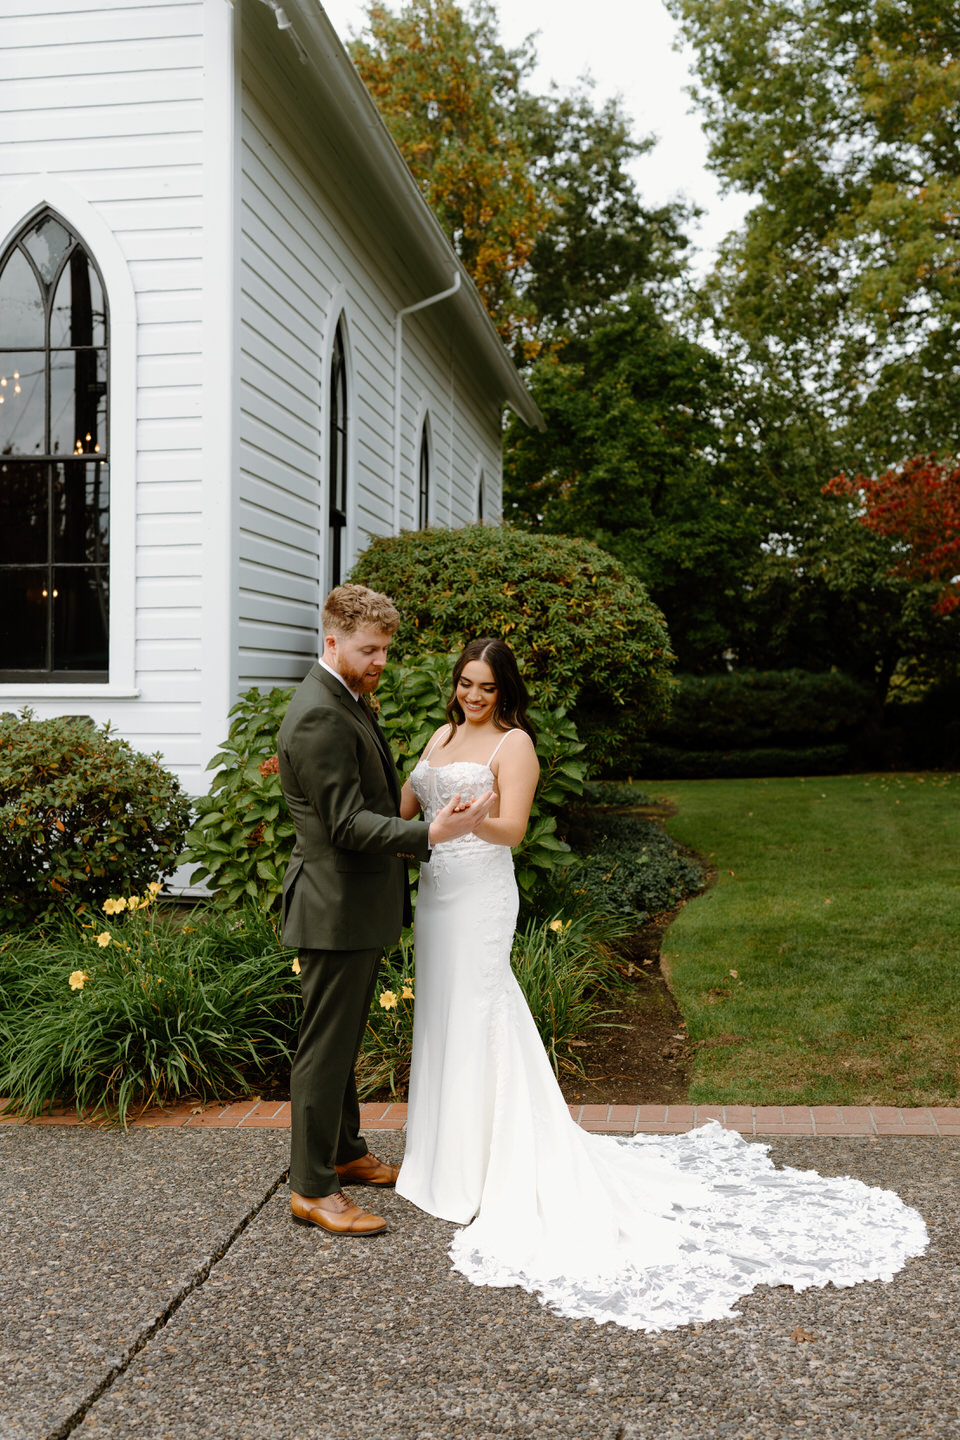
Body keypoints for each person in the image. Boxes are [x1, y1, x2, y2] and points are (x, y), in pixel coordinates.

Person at [395, 636, 928, 1331]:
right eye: (465, 684)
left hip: (481, 893)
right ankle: (437, 1157)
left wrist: (471, 821)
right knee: (440, 1016)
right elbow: (404, 802)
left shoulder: (513, 746)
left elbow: (515, 829)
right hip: (437, 894)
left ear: (505, 693)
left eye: (485, 688)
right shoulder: (439, 733)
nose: (472, 697)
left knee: (478, 1014)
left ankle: (479, 1167)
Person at [277, 586, 493, 1237]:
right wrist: (432, 836)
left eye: (385, 649)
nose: (379, 661)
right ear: (332, 640)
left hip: (352, 904)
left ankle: (343, 1152)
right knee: (323, 1049)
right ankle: (312, 1188)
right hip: (333, 906)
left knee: (339, 1044)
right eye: (369, 649)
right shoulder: (319, 714)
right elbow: (344, 824)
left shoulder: (345, 700)